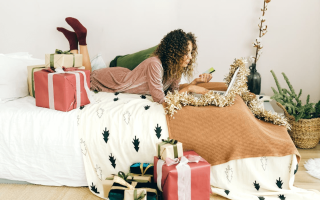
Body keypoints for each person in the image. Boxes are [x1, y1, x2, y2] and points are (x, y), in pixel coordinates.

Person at [57, 17, 212, 103]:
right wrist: (190, 89)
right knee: (84, 77)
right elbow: (161, 100)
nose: (190, 58)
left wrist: (193, 84)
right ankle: (81, 38)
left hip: (125, 76)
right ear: (175, 52)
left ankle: (73, 41)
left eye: (191, 53)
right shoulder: (155, 64)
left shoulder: (174, 70)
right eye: (186, 53)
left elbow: (173, 93)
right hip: (117, 80)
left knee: (82, 76)